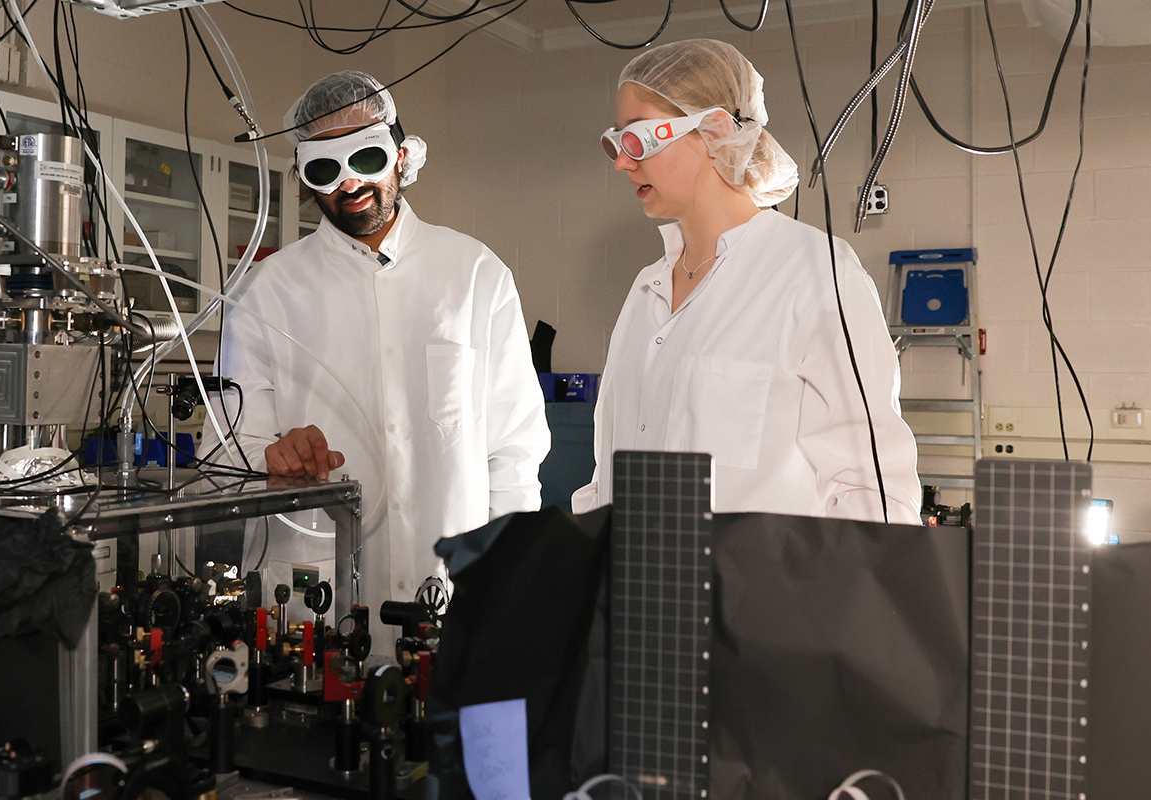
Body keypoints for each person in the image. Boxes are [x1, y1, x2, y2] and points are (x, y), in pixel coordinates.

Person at [218, 71, 551, 606]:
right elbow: (226, 453)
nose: (348, 184)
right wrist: (272, 458)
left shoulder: (474, 274)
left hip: (451, 582)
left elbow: (514, 448)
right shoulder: (266, 292)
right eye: (325, 169)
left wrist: (506, 574)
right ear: (304, 179)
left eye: (366, 158)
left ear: (402, 156)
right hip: (315, 590)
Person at [570, 39, 920, 522]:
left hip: (758, 576)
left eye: (638, 138)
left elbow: (873, 493)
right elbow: (606, 476)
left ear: (713, 129)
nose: (622, 162)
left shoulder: (815, 273)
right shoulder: (646, 290)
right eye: (617, 141)